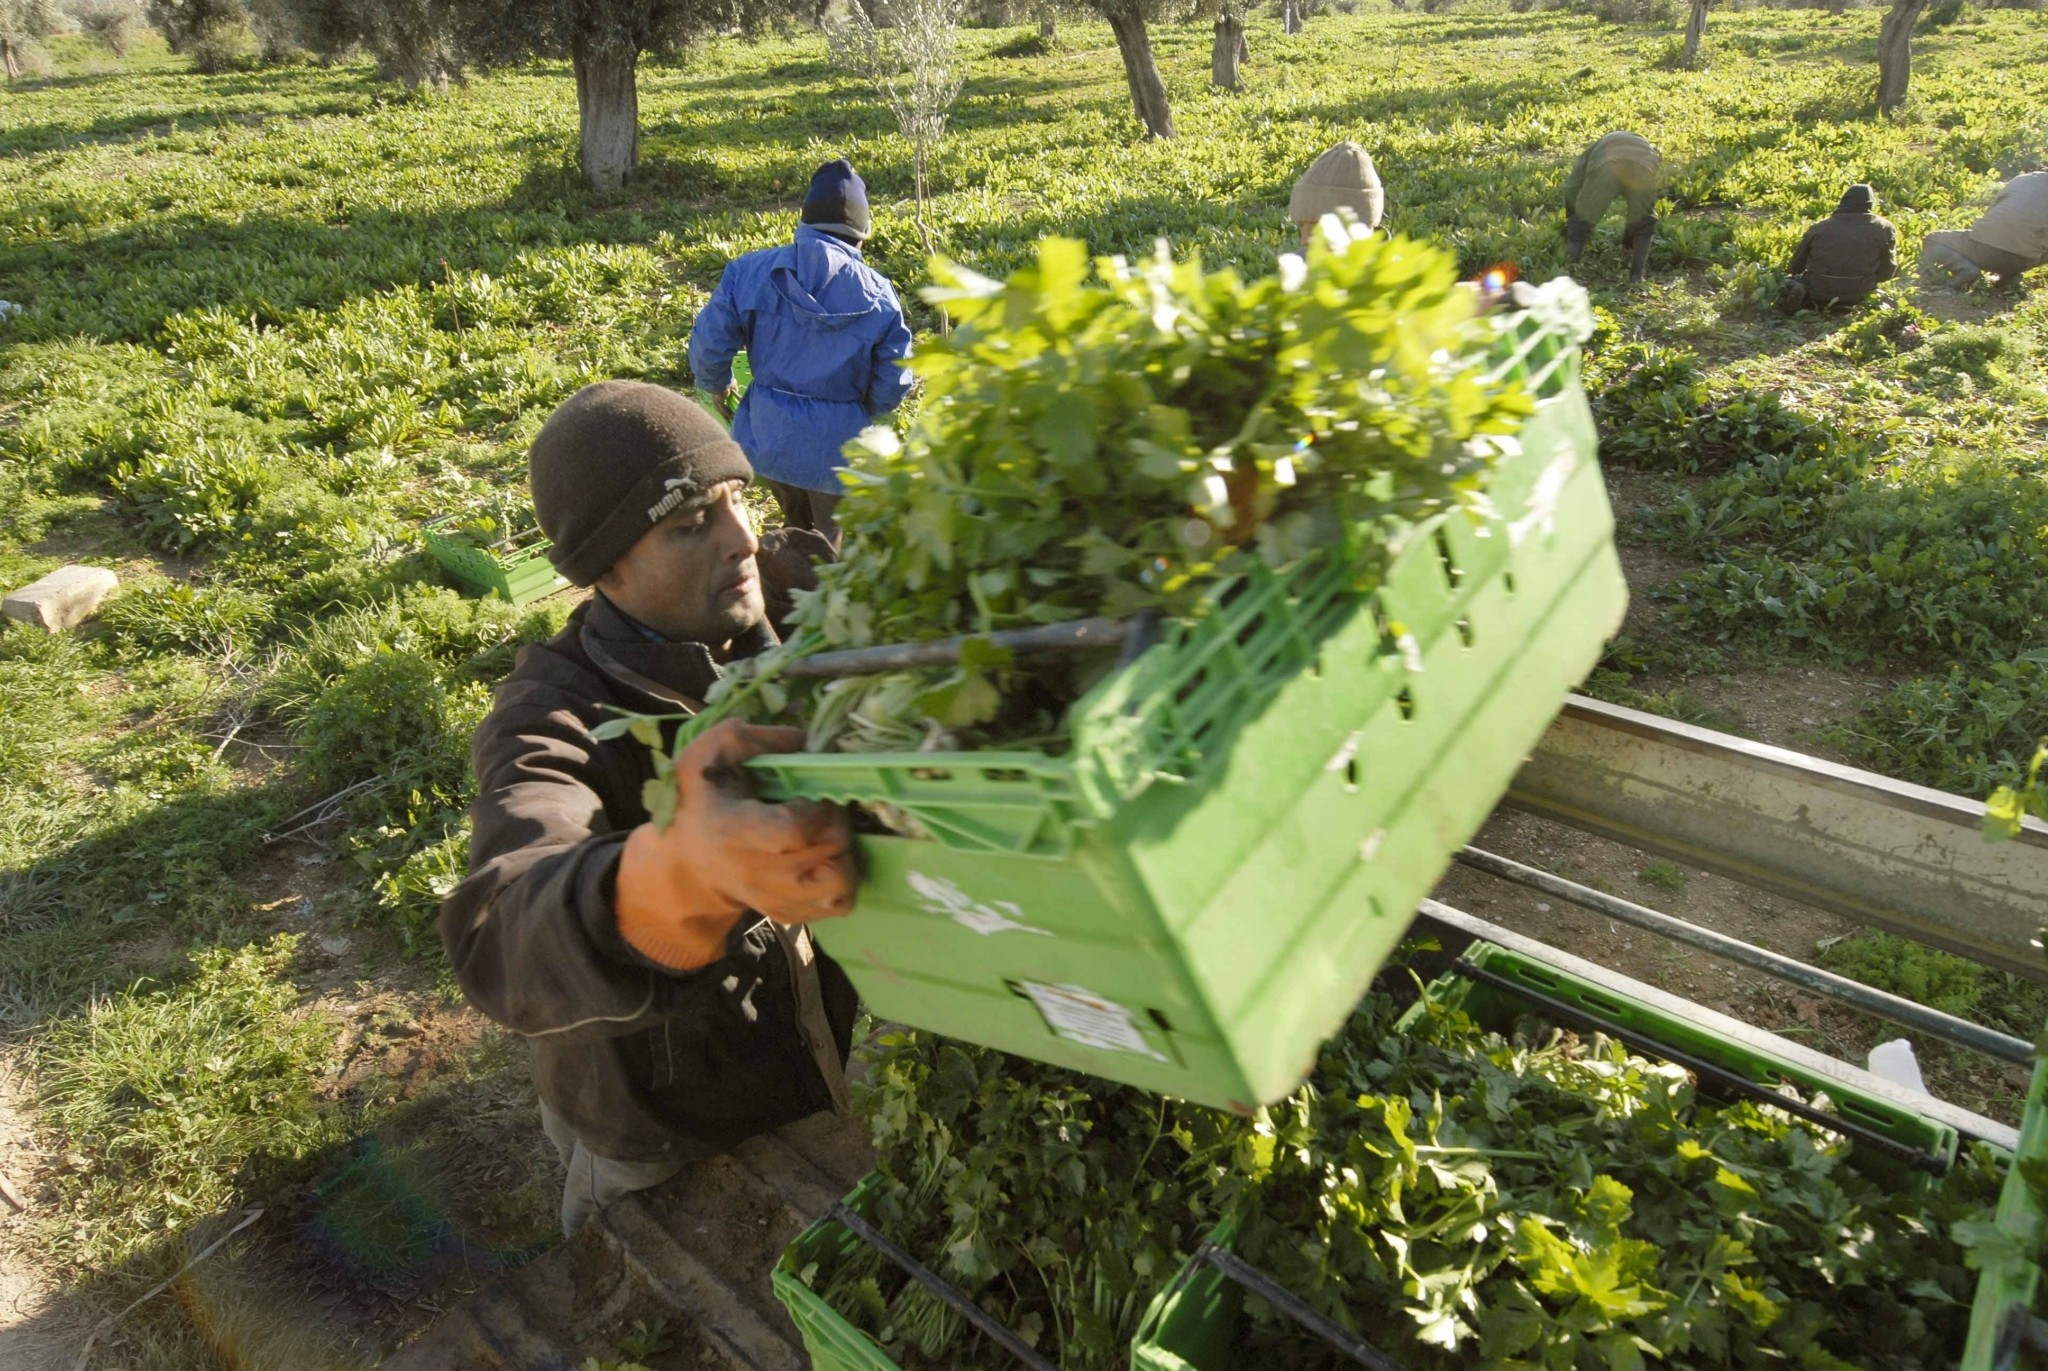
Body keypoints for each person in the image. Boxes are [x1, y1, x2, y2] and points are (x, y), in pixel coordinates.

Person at [440, 380, 860, 1239]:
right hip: (662, 1129)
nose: (741, 538)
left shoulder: (793, 591)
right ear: (605, 570)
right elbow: (501, 936)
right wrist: (676, 882)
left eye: (736, 498)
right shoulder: (551, 720)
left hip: (821, 1057)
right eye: (689, 524)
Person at [689, 158, 913, 551]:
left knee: (792, 524)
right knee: (831, 548)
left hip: (767, 437)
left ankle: (782, 583)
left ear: (804, 224)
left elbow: (710, 344)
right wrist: (861, 413)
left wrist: (719, 387)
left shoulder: (747, 272)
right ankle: (816, 600)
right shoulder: (879, 294)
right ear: (861, 235)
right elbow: (894, 379)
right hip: (837, 447)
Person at [1776, 184, 1898, 313]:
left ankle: (1797, 300)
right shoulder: (1884, 228)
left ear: (1843, 201)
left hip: (1818, 292)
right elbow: (1888, 270)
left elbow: (1796, 266)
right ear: (1871, 204)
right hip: (1859, 293)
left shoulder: (1819, 228)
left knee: (1789, 282)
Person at [1562, 132, 1662, 285]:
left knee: (1581, 223)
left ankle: (1569, 272)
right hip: (1643, 166)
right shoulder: (1646, 146)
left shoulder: (1594, 149)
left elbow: (1571, 186)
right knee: (1643, 221)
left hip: (1608, 166)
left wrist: (1573, 218)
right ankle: (1636, 276)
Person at [1921, 170, 2048, 287]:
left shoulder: (2023, 179)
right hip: (2025, 260)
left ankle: (1965, 269)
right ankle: (2010, 275)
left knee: (1933, 240)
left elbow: (1992, 211)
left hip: (1985, 251)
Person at [1290, 141, 1385, 244]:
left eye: (1318, 226)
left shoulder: (1394, 260)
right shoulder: (1302, 259)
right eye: (1302, 225)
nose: (1305, 239)